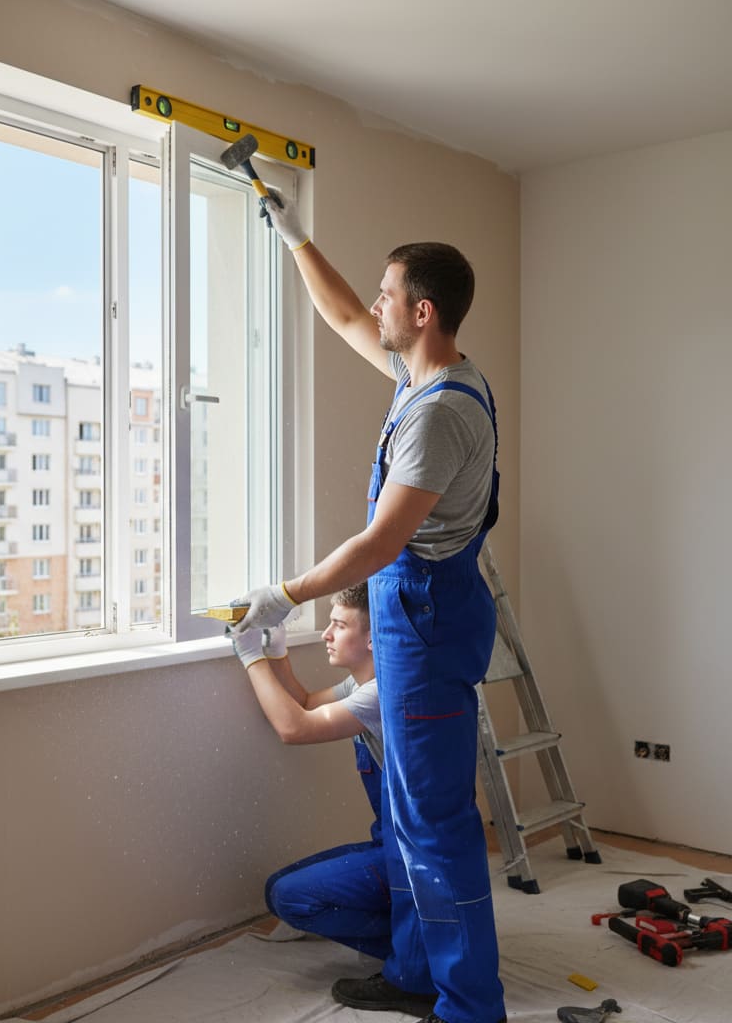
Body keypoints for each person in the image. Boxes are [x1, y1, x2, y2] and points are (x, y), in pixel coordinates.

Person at [231, 194, 506, 1023]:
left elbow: (382, 543)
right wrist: (295, 238)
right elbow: (347, 315)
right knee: (409, 818)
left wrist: (287, 594)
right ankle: (417, 973)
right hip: (419, 610)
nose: (377, 305)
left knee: (436, 826)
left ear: (423, 312)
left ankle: (469, 1006)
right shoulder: (422, 375)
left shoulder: (440, 414)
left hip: (426, 617)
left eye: (391, 294)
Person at [230, 583, 393, 960]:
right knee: (277, 886)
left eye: (339, 625)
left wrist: (251, 656)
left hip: (410, 851)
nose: (326, 634)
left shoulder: (380, 692)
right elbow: (304, 703)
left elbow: (294, 728)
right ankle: (407, 922)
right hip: (389, 840)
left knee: (289, 897)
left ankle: (408, 944)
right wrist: (276, 651)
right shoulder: (362, 682)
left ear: (372, 639)